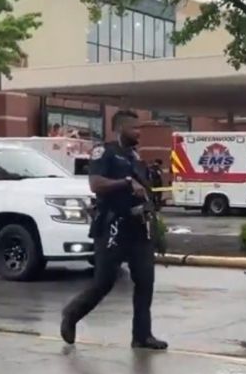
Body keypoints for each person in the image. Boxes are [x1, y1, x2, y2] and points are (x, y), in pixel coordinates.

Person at [60, 110, 168, 350]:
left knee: (145, 281)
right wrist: (126, 183)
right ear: (120, 129)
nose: (139, 132)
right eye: (134, 128)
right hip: (112, 226)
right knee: (104, 282)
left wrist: (156, 228)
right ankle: (72, 315)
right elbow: (95, 183)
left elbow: (145, 189)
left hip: (138, 227)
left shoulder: (135, 156)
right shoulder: (104, 152)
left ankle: (142, 336)